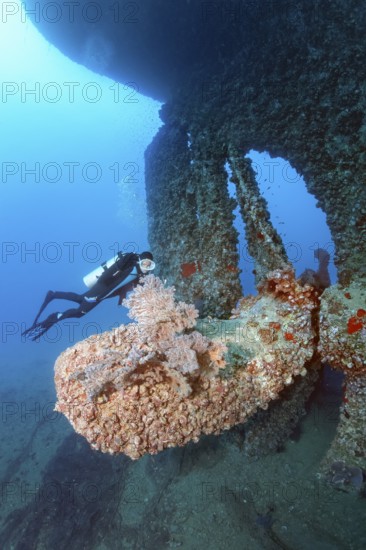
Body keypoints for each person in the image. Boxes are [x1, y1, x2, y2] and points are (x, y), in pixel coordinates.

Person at [22, 251, 155, 341]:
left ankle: (54, 295)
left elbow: (123, 286)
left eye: (149, 265)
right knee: (81, 312)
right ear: (140, 261)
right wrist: (98, 297)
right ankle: (56, 316)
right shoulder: (132, 269)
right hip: (103, 288)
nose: (146, 266)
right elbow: (115, 284)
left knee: (81, 298)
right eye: (145, 263)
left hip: (102, 286)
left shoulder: (137, 272)